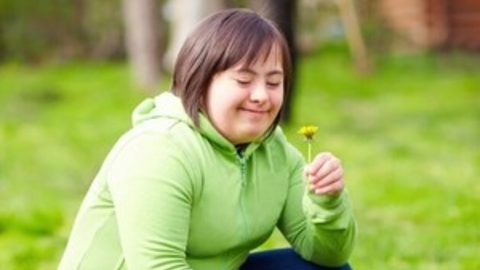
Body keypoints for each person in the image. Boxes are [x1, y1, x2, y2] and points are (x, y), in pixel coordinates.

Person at [57, 8, 357, 270]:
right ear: (200, 80)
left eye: (274, 82)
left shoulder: (274, 151)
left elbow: (328, 256)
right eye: (243, 80)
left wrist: (326, 203)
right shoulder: (159, 150)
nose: (262, 96)